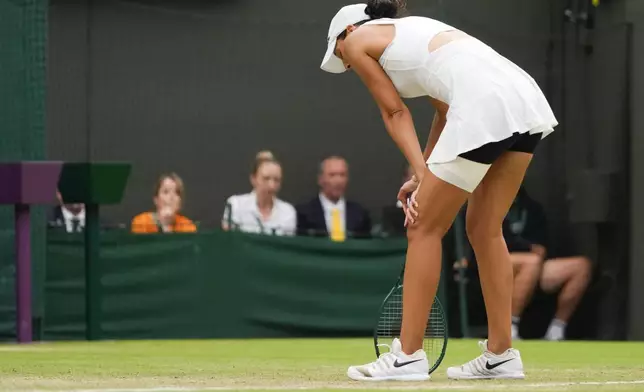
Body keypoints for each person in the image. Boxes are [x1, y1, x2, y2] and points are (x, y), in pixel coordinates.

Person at [320, 0, 557, 381]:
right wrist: (422, 173)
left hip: (483, 105)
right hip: (522, 97)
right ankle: (501, 354)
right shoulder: (417, 30)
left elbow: (394, 112)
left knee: (422, 227)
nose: (346, 63)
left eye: (339, 53)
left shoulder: (359, 39)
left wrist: (420, 171)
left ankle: (408, 356)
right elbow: (445, 112)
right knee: (484, 227)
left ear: (348, 33)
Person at [505, 187, 592, 341]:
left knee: (581, 265)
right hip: (493, 263)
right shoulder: (485, 202)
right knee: (532, 261)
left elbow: (541, 245)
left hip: (533, 265)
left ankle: (556, 330)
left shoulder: (531, 208)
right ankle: (509, 328)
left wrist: (536, 249)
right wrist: (528, 248)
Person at [296, 156, 371, 240]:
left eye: (342, 175)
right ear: (320, 179)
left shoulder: (360, 214)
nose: (338, 181)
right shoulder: (304, 214)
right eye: (332, 175)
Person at [222, 152, 297, 236]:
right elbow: (228, 241)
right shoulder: (235, 205)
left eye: (276, 180)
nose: (272, 186)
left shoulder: (287, 212)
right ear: (253, 179)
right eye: (266, 178)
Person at [131, 172, 197, 234]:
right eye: (166, 192)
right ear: (156, 199)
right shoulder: (141, 222)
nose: (172, 197)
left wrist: (167, 227)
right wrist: (163, 224)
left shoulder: (188, 225)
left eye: (177, 192)